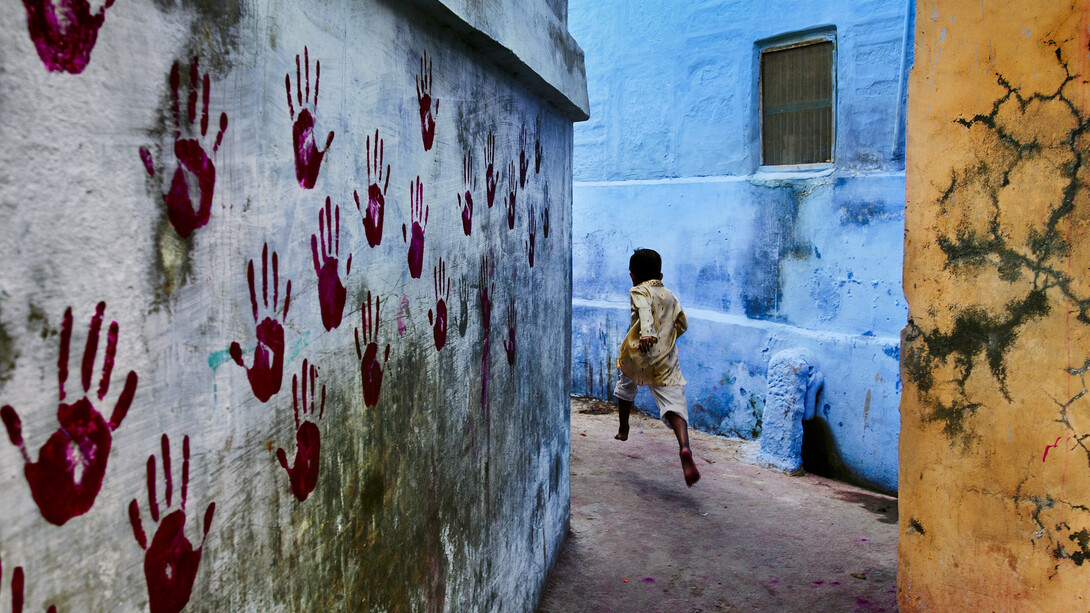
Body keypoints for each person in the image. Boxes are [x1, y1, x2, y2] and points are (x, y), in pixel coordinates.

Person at [613, 248, 700, 486]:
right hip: (664, 358)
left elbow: (643, 309)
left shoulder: (638, 290)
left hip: (637, 354)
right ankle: (684, 446)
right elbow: (682, 322)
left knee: (626, 385)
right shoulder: (670, 295)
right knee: (673, 402)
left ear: (632, 275)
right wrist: (667, 338)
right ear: (660, 276)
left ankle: (623, 428)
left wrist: (648, 333)